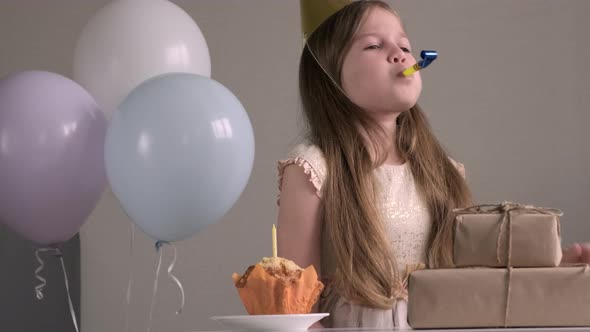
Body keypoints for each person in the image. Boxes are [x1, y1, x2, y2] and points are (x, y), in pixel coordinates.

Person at [276, 0, 590, 329]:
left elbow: (471, 276)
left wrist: (555, 266)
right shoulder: (313, 169)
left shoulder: (444, 171)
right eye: (373, 45)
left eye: (405, 45)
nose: (399, 55)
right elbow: (296, 309)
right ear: (327, 70)